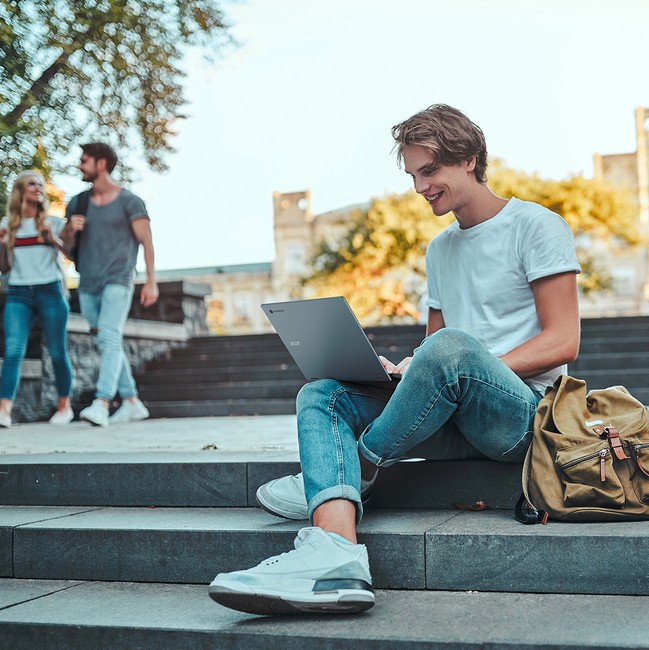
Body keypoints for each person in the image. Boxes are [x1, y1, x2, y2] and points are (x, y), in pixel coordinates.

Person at [208, 104, 581, 615]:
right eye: (412, 175)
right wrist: (406, 371)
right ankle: (336, 559)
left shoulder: (537, 226)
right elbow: (434, 347)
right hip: (451, 410)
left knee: (450, 350)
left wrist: (459, 363)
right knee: (323, 393)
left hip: (522, 417)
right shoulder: (440, 250)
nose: (419, 187)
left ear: (469, 158)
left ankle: (354, 467)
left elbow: (563, 341)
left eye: (429, 171)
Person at [60, 142, 158, 426]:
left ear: (101, 164)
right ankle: (131, 401)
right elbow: (67, 250)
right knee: (107, 341)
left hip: (118, 279)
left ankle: (101, 403)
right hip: (88, 283)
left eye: (84, 160)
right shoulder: (77, 203)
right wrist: (69, 230)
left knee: (110, 337)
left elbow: (147, 243)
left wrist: (151, 281)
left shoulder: (130, 202)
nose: (80, 165)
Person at [0, 171, 74, 428]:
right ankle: (4, 411)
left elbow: (71, 255)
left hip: (50, 291)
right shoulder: (8, 223)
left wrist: (53, 238)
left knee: (56, 351)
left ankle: (65, 406)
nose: (38, 188)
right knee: (13, 351)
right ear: (21, 189)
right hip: (19, 293)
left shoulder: (52, 222)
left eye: (40, 184)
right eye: (32, 184)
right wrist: (1, 245)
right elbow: (5, 268)